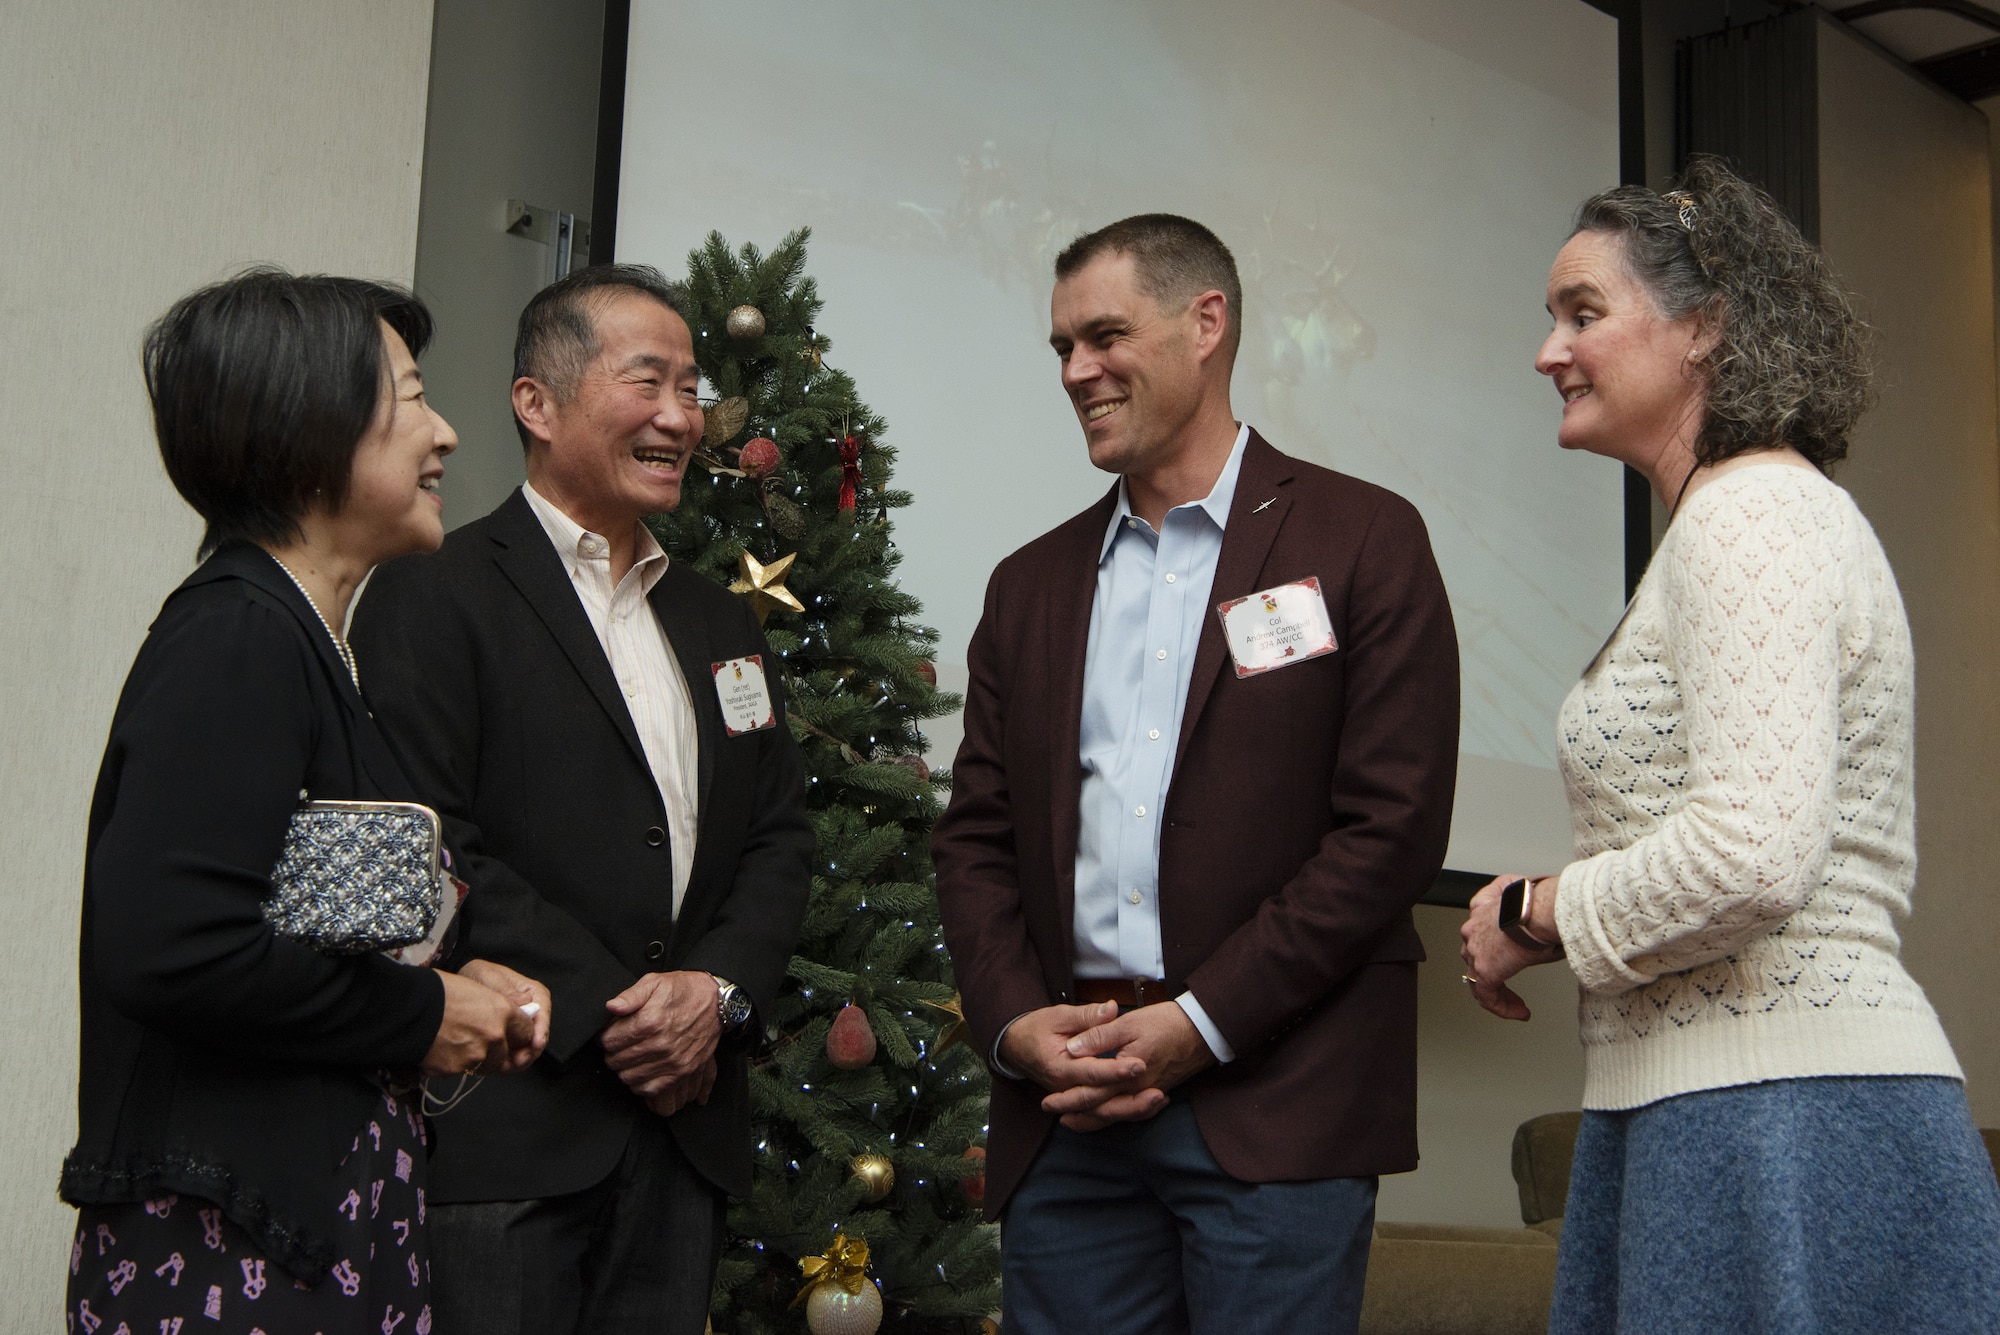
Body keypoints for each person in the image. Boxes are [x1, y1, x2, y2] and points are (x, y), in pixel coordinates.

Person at [1460, 156, 2000, 1332]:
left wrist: (1535, 911)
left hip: (1778, 1117)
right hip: (1728, 1104)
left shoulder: (1750, 512)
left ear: (1703, 326)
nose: (1548, 351)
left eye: (1581, 314)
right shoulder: (1738, 517)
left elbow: (1752, 855)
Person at [931, 214, 1460, 1335]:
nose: (1077, 370)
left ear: (1204, 324)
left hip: (1277, 1107)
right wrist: (1016, 1022)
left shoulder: (1362, 537)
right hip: (1065, 1116)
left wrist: (1200, 1021)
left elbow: (1390, 829)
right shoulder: (1027, 586)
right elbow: (974, 838)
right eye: (1061, 347)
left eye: (1105, 335)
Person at [61, 269, 551, 1335]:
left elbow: (293, 932)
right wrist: (425, 1014)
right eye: (413, 397)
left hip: (309, 1223)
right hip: (226, 1246)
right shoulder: (237, 636)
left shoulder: (304, 641)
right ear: (312, 430)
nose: (447, 435)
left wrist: (456, 981)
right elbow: (177, 949)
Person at [349, 262, 813, 1335]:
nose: (678, 417)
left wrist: (714, 995)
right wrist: (622, 1015)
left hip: (682, 1132)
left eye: (693, 389)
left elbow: (779, 836)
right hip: (512, 1130)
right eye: (647, 380)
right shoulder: (433, 591)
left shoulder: (718, 623)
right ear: (535, 402)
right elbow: (431, 843)